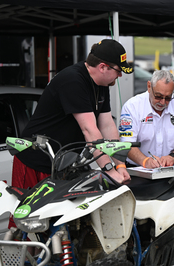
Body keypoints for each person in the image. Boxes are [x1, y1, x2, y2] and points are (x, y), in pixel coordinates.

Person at [12, 39, 134, 195]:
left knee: (61, 216)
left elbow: (107, 126)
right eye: (118, 70)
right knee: (27, 215)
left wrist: (120, 165)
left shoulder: (102, 84)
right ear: (103, 67)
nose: (120, 75)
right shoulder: (73, 80)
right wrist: (109, 170)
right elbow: (89, 130)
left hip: (63, 163)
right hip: (36, 159)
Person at [118, 70, 174, 170]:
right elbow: (126, 143)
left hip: (173, 168)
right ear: (149, 86)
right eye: (158, 96)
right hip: (138, 168)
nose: (163, 102)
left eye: (168, 98)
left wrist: (173, 156)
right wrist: (145, 161)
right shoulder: (132, 107)